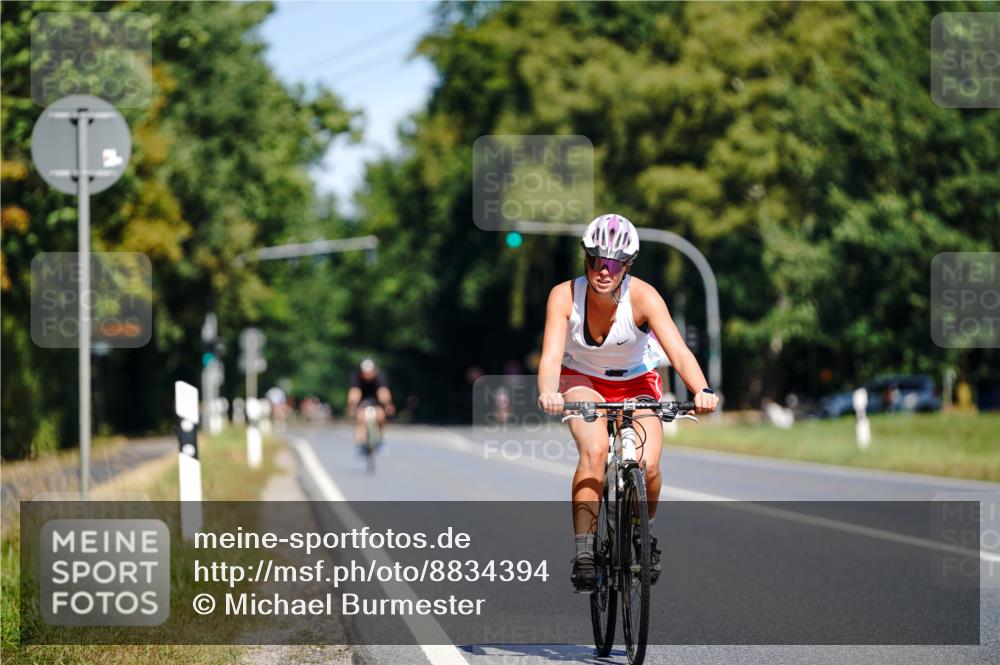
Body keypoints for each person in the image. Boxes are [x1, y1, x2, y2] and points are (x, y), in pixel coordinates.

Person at [536, 213, 719, 591]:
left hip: (636, 381)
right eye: (596, 261)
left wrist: (701, 390)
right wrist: (549, 392)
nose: (604, 271)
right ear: (586, 260)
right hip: (582, 380)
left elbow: (679, 351)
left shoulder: (644, 296)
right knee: (594, 450)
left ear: (627, 266)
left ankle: (641, 534)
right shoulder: (564, 296)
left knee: (648, 465)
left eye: (614, 263)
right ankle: (585, 552)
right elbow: (551, 357)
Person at [346, 358, 395, 449]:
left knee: (380, 416)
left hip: (376, 400)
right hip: (362, 400)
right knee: (360, 417)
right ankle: (361, 441)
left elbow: (383, 392)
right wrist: (352, 406)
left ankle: (380, 438)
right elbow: (354, 392)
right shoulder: (357, 376)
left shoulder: (380, 376)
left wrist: (387, 405)